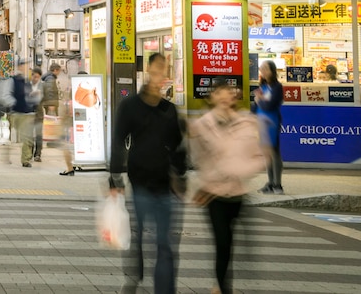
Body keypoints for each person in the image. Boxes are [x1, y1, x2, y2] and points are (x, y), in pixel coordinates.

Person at [110, 52, 187, 294]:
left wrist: (180, 175)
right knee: (135, 239)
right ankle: (132, 280)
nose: (158, 77)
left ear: (166, 75)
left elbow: (177, 146)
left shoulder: (169, 110)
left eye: (162, 72)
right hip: (139, 185)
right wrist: (115, 176)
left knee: (165, 245)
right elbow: (118, 140)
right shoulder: (130, 106)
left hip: (166, 187)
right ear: (148, 72)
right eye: (154, 71)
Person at [190, 79, 265, 294]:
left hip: (238, 194)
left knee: (229, 245)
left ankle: (220, 285)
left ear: (233, 97)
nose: (224, 97)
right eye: (219, 93)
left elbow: (258, 157)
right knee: (222, 243)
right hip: (213, 195)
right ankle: (224, 288)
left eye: (228, 92)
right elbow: (198, 159)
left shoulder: (247, 123)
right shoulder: (203, 125)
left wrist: (240, 169)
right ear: (212, 98)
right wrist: (209, 178)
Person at [253, 60, 284, 195]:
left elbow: (270, 105)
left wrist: (259, 100)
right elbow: (255, 106)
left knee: (274, 152)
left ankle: (278, 184)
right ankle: (270, 182)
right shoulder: (263, 86)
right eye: (262, 68)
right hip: (261, 122)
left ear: (272, 70)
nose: (263, 71)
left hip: (272, 122)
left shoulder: (277, 87)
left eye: (266, 68)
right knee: (266, 154)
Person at [8, 66, 36, 168]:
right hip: (16, 112)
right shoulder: (13, 81)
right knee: (23, 137)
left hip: (27, 113)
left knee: (27, 138)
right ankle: (22, 158)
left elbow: (29, 97)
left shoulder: (27, 82)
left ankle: (25, 159)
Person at [29, 68, 45, 162]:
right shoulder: (27, 85)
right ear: (32, 76)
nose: (36, 79)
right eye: (34, 77)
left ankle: (38, 154)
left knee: (38, 134)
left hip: (39, 113)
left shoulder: (42, 85)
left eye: (38, 77)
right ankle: (29, 153)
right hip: (29, 112)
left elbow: (44, 96)